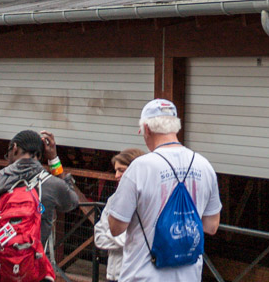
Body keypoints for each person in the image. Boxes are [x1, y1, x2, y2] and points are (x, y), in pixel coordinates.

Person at [105, 99, 221, 282]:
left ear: (147, 129)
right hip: (189, 276)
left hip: (143, 276)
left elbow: (116, 227)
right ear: (176, 127)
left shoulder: (139, 168)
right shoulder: (204, 165)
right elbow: (211, 226)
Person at [0, 129, 79, 282]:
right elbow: (72, 202)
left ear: (15, 147)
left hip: (0, 272)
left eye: (8, 153)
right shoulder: (51, 185)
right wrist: (54, 160)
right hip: (38, 274)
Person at [94, 148, 144, 282]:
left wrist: (112, 233)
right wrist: (128, 238)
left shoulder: (149, 200)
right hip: (114, 275)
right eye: (116, 170)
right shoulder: (113, 199)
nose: (116, 175)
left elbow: (145, 240)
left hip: (138, 275)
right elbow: (98, 237)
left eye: (121, 170)